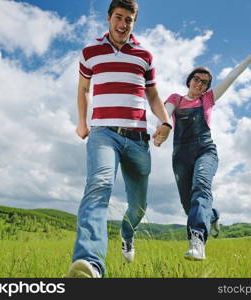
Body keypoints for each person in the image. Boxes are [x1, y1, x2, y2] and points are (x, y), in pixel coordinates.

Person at [66, 0, 171, 278]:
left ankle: (127, 233)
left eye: (129, 20)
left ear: (134, 22)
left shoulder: (144, 56)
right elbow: (83, 89)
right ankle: (90, 264)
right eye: (118, 18)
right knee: (99, 186)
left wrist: (165, 121)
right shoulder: (90, 52)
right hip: (103, 133)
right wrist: (82, 122)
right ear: (109, 18)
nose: (123, 25)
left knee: (138, 206)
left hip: (137, 137)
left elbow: (152, 94)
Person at [162, 41, 251, 261]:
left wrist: (250, 57)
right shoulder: (175, 99)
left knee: (201, 187)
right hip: (180, 156)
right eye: (197, 79)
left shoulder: (208, 100)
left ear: (207, 88)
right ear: (190, 80)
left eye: (205, 82)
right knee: (190, 207)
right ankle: (213, 216)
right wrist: (162, 127)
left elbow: (231, 77)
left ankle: (197, 240)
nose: (200, 84)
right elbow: (166, 113)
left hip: (205, 150)